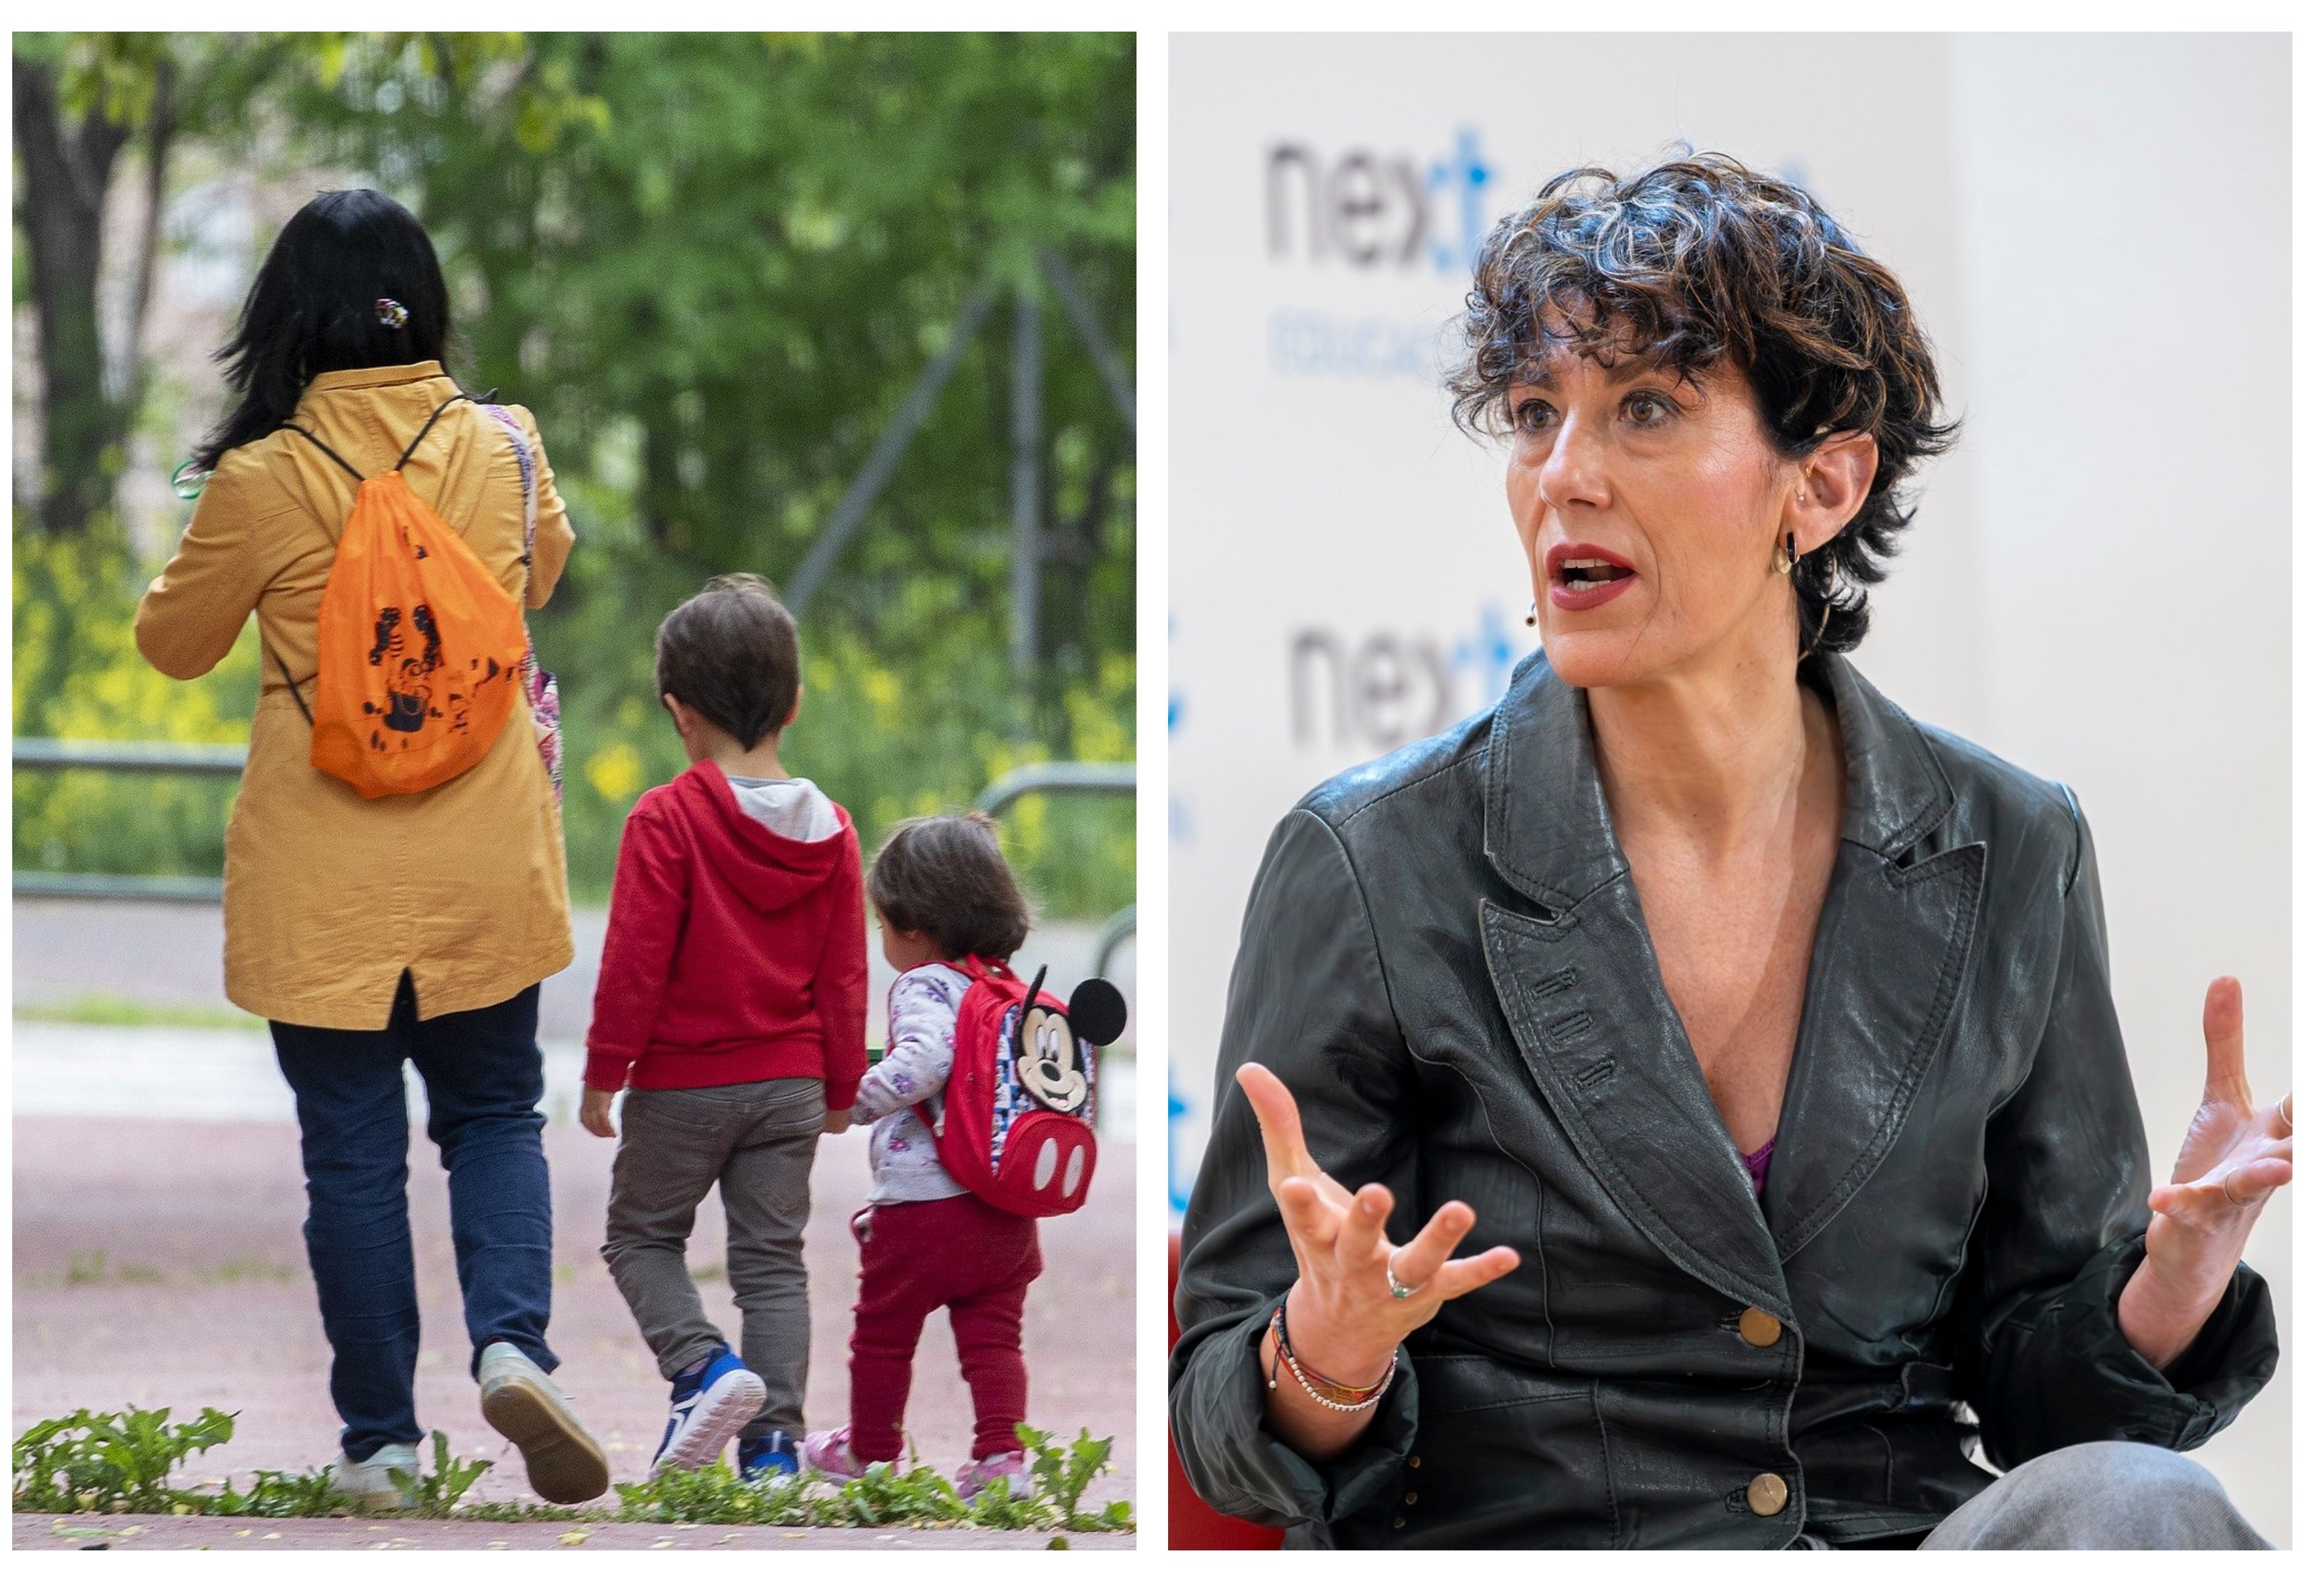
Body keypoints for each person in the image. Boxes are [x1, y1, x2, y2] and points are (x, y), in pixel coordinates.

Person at [1169, 155, 2292, 1550]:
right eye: (1534, 415)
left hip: (1894, 1543)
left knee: (2146, 1508)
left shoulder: (2013, 846)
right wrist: (1325, 1348)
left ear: (1819, 486)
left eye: (1644, 408)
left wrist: (2170, 1285)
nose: (1564, 475)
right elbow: (1224, 1420)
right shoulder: (1369, 861)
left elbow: (2048, 1402)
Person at [136, 189, 605, 1508]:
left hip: (321, 870)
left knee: (350, 1148)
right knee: (492, 1111)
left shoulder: (259, 476)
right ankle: (513, 1339)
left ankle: (383, 1444)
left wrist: (229, 519)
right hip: (482, 851)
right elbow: (541, 571)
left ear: (283, 317)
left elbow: (171, 646)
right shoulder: (508, 447)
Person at [579, 574, 867, 1483]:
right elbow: (844, 974)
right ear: (794, 703)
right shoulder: (834, 829)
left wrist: (603, 1071)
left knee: (640, 1237)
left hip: (682, 1083)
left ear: (678, 713)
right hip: (788, 1085)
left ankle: (704, 1367)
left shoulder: (666, 818)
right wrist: (839, 1087)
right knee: (773, 1262)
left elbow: (635, 960)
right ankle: (774, 1449)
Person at [803, 814, 1045, 1502]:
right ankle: (1003, 1460)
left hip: (924, 1207)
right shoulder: (1004, 987)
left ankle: (872, 1454)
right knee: (994, 1340)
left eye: (882, 925)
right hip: (1004, 1206)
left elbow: (926, 1060)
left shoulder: (925, 985)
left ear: (912, 924)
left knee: (882, 1334)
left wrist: (851, 1101)